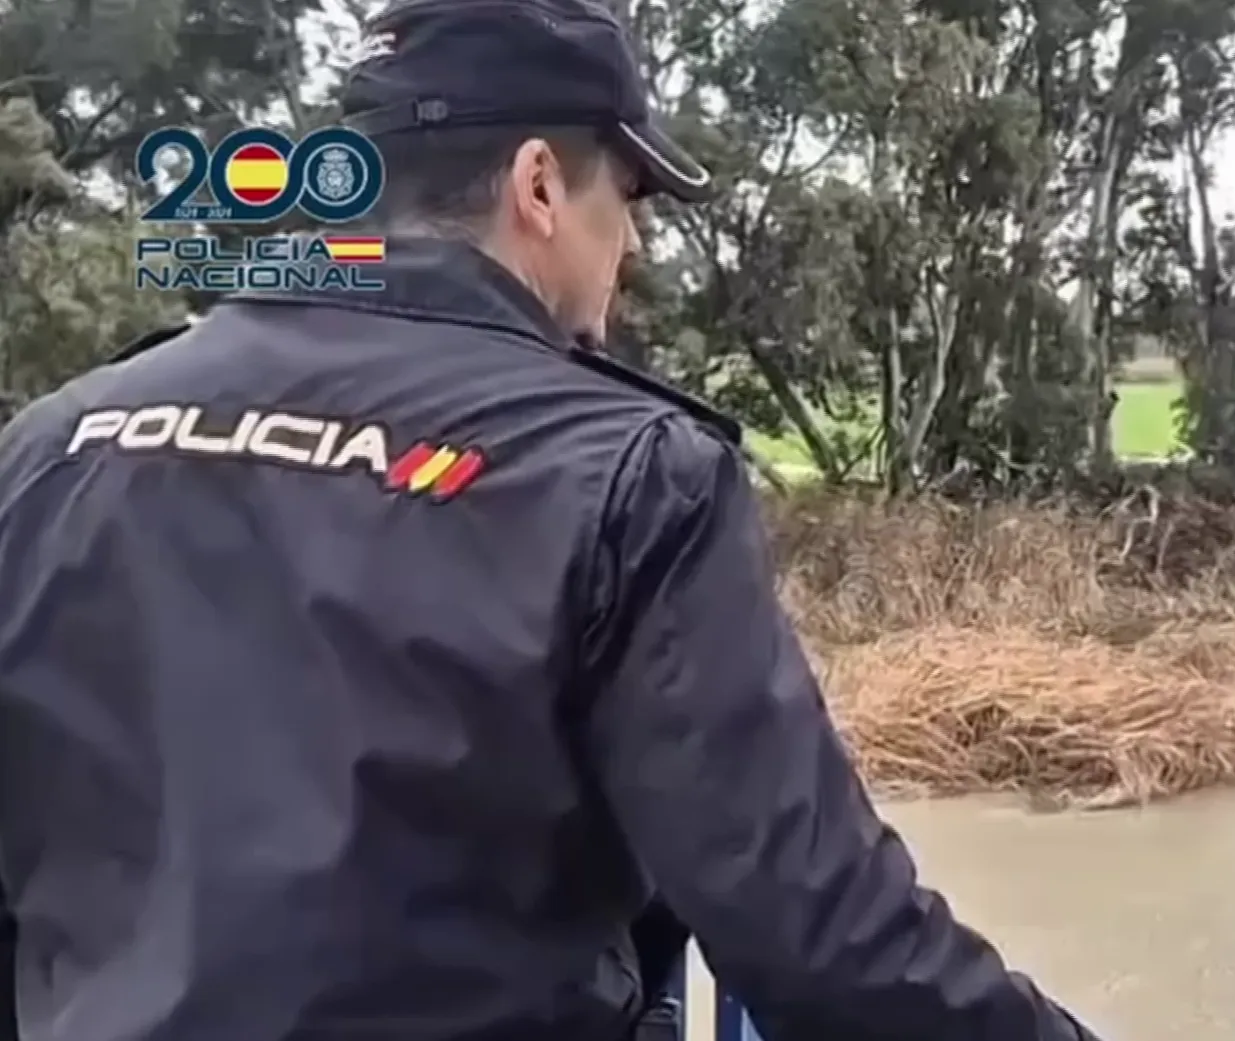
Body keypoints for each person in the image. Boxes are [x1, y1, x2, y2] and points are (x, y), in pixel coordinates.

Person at [0, 1, 1106, 1039]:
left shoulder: (52, 444)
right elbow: (819, 933)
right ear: (538, 186)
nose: (626, 249)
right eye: (624, 202)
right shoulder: (627, 470)